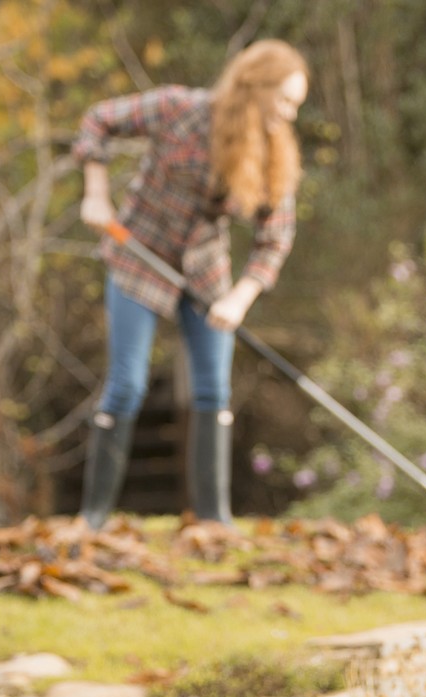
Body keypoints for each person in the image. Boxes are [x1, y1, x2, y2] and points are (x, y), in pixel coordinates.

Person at [73, 39, 308, 527]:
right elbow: (99, 119)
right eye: (284, 101)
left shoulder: (274, 154)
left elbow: (274, 240)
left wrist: (239, 299)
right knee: (128, 384)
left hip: (205, 272)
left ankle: (213, 522)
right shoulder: (178, 109)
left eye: (295, 105)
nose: (289, 115)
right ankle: (92, 518)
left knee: (211, 392)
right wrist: (95, 193)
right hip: (140, 256)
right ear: (255, 88)